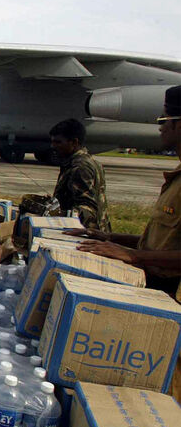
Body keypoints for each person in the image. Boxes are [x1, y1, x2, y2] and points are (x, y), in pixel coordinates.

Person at [71, 86, 181, 300]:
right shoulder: (176, 177)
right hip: (154, 284)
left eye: (164, 119)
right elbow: (164, 243)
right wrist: (110, 238)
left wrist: (132, 254)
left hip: (170, 295)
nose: (160, 127)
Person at [49, 118, 111, 232]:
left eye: (58, 142)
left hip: (87, 232)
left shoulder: (79, 167)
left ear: (74, 142)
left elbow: (86, 207)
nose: (53, 146)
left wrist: (86, 233)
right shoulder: (89, 161)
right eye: (52, 141)